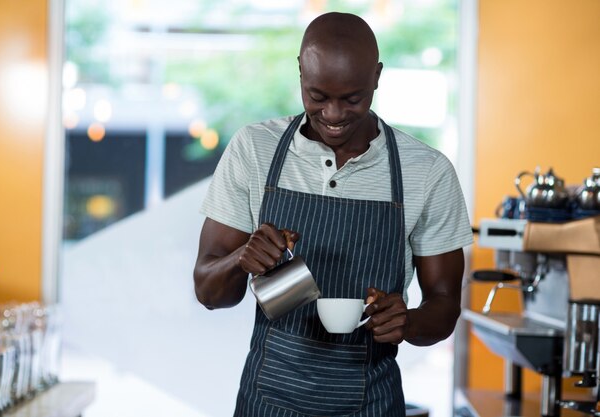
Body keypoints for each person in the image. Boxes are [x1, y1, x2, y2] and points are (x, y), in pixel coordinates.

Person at [194, 11, 473, 417]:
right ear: (300, 73)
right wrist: (241, 259)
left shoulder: (426, 172)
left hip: (370, 405)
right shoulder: (254, 150)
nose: (334, 115)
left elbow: (445, 306)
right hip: (266, 403)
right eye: (318, 96)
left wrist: (409, 322)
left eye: (352, 98)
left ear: (377, 76)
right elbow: (208, 293)